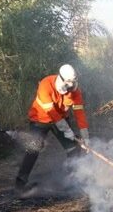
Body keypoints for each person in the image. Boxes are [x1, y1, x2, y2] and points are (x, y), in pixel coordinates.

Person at [15, 64, 89, 193]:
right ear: (61, 79)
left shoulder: (75, 91)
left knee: (73, 147)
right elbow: (52, 113)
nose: (69, 90)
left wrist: (85, 136)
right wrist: (68, 131)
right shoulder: (45, 84)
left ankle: (72, 181)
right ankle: (20, 184)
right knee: (33, 149)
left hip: (61, 119)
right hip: (40, 119)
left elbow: (80, 113)